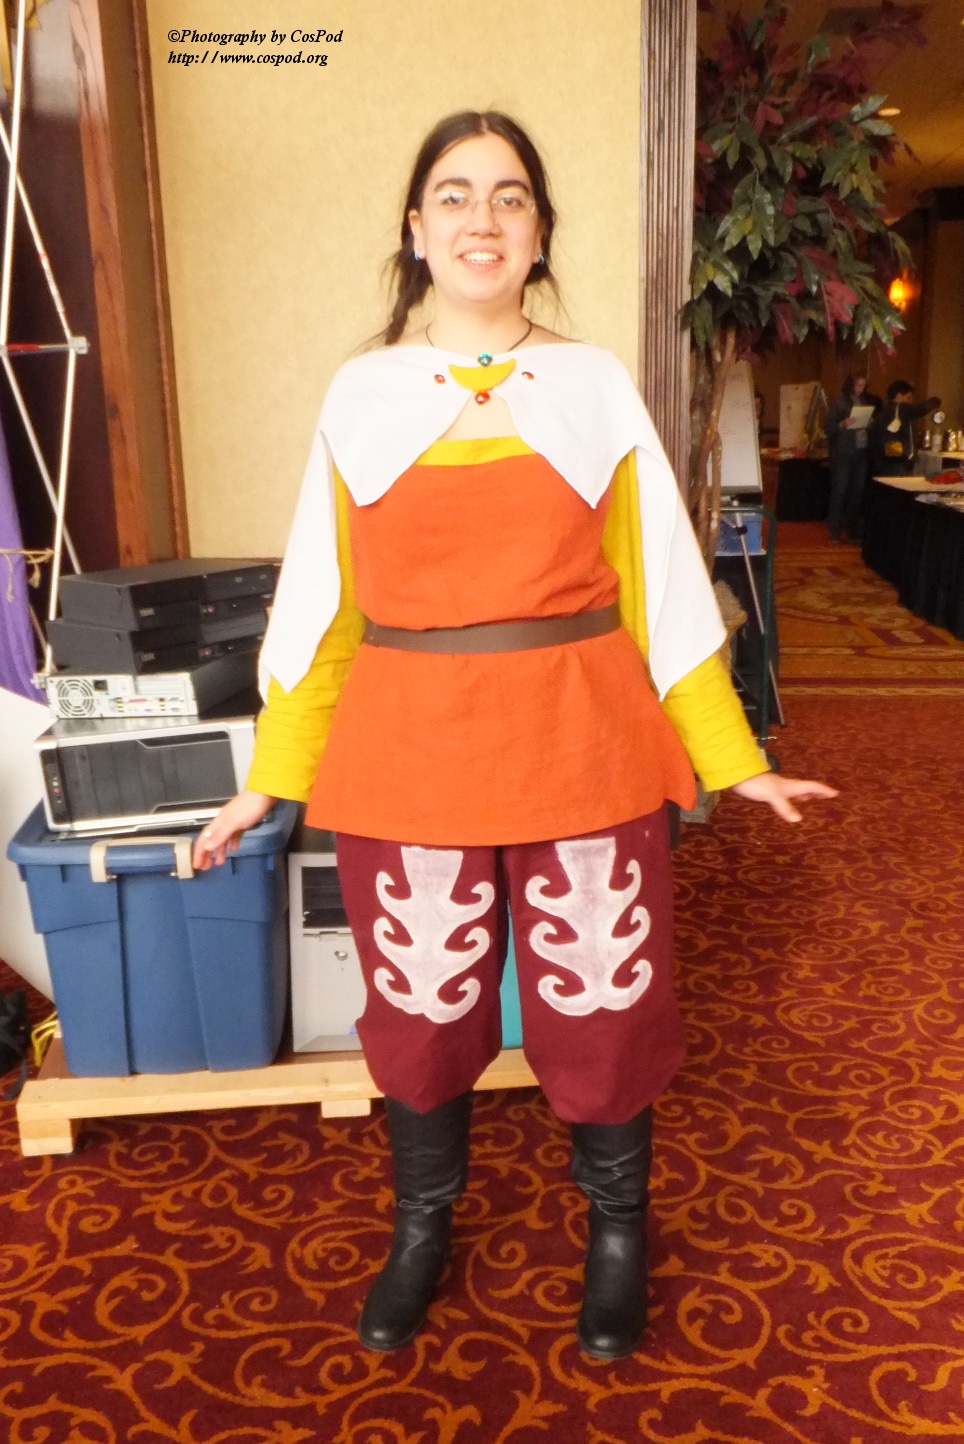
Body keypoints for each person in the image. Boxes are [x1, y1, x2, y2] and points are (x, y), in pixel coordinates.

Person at [192, 111, 837, 1361]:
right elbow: (323, 611)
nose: (480, 219)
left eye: (508, 197)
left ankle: (617, 1231)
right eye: (453, 195)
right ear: (414, 229)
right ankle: (420, 1227)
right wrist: (268, 781)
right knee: (422, 1011)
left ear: (539, 234)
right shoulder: (362, 394)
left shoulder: (593, 384)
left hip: (581, 744)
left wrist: (732, 758)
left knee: (603, 1001)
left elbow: (657, 588)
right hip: (409, 754)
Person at [824, 374, 881, 542]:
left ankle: (852, 530)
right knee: (840, 490)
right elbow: (829, 428)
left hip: (861, 450)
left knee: (857, 491)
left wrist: (869, 423)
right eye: (858, 385)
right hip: (843, 452)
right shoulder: (840, 402)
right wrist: (843, 424)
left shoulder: (865, 401)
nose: (860, 389)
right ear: (851, 385)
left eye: (863, 385)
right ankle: (834, 530)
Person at [869, 379, 941, 478]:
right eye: (908, 397)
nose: (910, 402)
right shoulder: (901, 409)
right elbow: (920, 409)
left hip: (883, 459)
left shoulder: (883, 412)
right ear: (899, 396)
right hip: (898, 461)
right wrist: (935, 401)